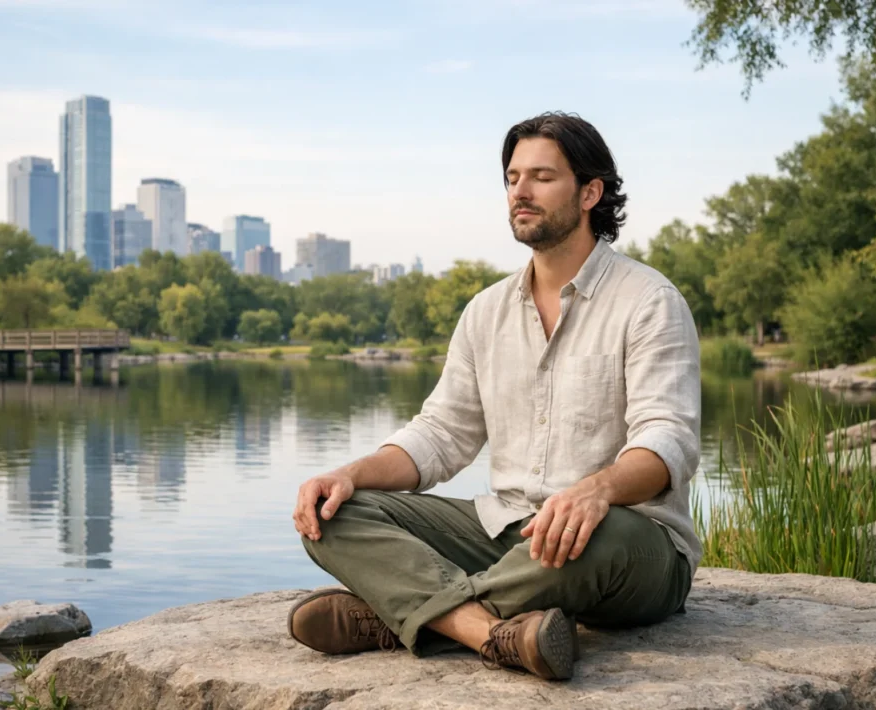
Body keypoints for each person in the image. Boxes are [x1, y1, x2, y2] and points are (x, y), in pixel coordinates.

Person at [288, 112, 701, 682]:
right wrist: (350, 474)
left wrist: (595, 491)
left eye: (541, 177)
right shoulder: (486, 311)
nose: (520, 193)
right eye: (511, 178)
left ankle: (399, 615)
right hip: (509, 533)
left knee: (597, 531)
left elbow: (669, 440)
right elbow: (440, 436)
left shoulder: (649, 300)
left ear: (590, 192)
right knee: (335, 513)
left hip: (630, 542)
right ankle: (484, 631)